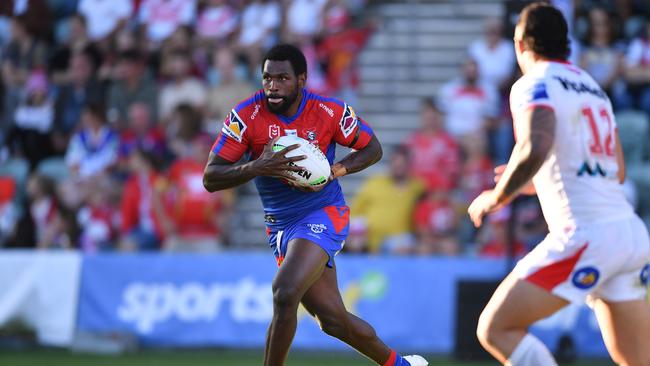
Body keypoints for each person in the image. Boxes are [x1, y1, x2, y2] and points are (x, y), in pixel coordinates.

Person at [203, 44, 427, 366]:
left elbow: (373, 148)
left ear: (302, 79)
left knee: (284, 291)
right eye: (267, 78)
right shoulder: (245, 116)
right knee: (333, 321)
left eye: (282, 78)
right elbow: (211, 177)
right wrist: (257, 166)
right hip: (280, 226)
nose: (273, 86)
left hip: (323, 213)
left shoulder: (328, 111)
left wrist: (336, 170)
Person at [467, 3, 650, 366]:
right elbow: (616, 171)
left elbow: (536, 144)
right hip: (629, 234)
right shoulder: (592, 87)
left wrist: (496, 197)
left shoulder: (534, 83)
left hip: (587, 234)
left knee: (496, 328)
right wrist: (535, 181)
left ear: (521, 44)